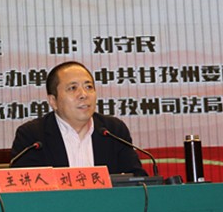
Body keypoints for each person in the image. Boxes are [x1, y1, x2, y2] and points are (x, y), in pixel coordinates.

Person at [10, 61, 148, 176]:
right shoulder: (32, 136)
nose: (83, 94)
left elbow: (137, 180)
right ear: (53, 101)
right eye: (72, 88)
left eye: (89, 87)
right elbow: (24, 189)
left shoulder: (113, 131)